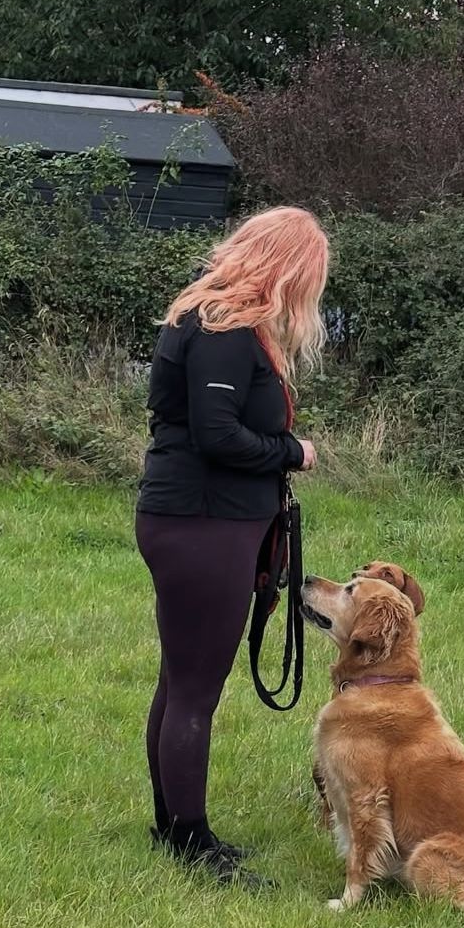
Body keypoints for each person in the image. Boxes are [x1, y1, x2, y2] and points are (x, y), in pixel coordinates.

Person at [135, 206, 326, 885]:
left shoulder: (212, 318)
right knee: (194, 687)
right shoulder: (224, 329)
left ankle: (171, 824)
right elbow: (218, 435)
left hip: (200, 518)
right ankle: (190, 840)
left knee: (179, 678)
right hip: (202, 521)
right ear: (287, 268)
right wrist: (292, 452)